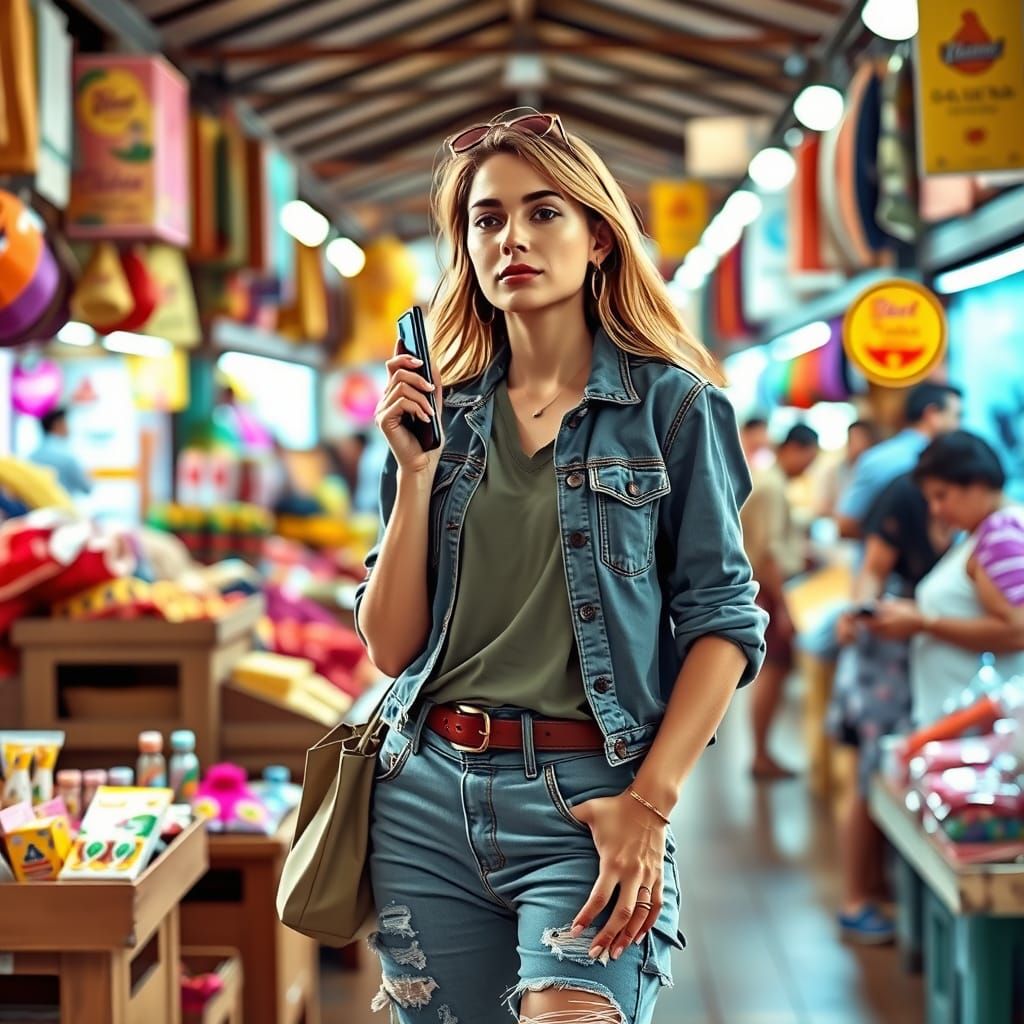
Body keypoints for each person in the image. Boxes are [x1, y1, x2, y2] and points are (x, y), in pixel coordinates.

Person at [353, 107, 767, 1024]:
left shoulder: (673, 405)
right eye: (487, 219)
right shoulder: (440, 417)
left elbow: (725, 622)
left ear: (600, 240)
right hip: (424, 796)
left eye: (544, 214)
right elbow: (390, 647)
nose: (514, 239)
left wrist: (649, 806)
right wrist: (416, 473)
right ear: (465, 248)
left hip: (591, 799)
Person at [830, 472, 954, 943]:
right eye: (937, 496)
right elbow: (872, 574)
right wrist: (863, 614)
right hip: (882, 669)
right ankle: (855, 898)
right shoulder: (905, 496)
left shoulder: (918, 498)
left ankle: (871, 891)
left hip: (897, 669)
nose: (941, 507)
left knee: (882, 778)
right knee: (871, 778)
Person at [868, 431, 1024, 725]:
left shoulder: (999, 532)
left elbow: (1018, 631)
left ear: (977, 483)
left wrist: (923, 622)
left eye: (942, 496)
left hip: (975, 724)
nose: (936, 510)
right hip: (965, 719)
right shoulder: (985, 532)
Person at [740, 424, 820, 779]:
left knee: (771, 673)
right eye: (809, 458)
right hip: (769, 590)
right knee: (772, 673)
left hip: (765, 588)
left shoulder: (768, 482)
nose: (808, 467)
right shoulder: (772, 487)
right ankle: (761, 755)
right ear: (795, 449)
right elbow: (770, 552)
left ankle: (761, 752)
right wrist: (784, 607)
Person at [835, 382, 962, 539]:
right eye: (957, 416)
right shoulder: (885, 461)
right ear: (932, 415)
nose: (959, 425)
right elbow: (846, 525)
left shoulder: (878, 458)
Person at [817, 419, 879, 519]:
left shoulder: (875, 472)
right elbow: (822, 508)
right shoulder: (833, 472)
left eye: (863, 439)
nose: (859, 444)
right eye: (855, 439)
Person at [29, 408, 93, 496]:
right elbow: (87, 488)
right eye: (67, 422)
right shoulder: (68, 457)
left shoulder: (31, 457)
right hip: (63, 508)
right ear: (58, 424)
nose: (70, 427)